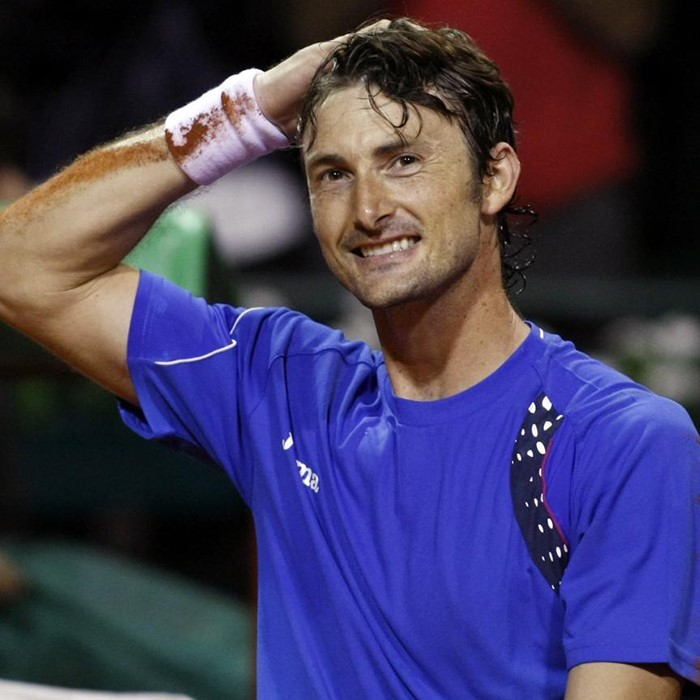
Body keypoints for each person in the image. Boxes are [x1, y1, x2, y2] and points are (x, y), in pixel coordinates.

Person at [0, 17, 697, 699]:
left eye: (403, 161)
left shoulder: (625, 442)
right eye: (333, 174)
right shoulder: (278, 383)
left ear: (494, 178)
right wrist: (242, 112)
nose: (367, 208)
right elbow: (19, 267)